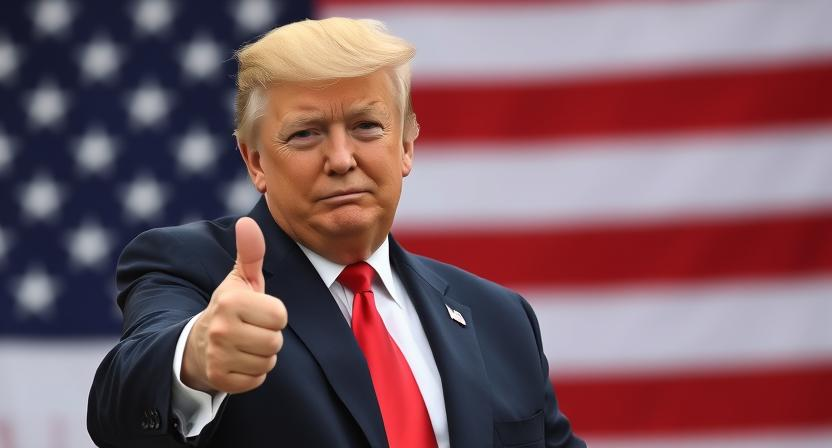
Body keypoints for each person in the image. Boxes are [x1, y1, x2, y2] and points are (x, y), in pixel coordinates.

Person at [87, 17, 585, 448]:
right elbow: (120, 405)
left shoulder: (501, 318)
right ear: (255, 160)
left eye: (367, 126)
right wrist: (194, 358)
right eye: (306, 134)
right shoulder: (191, 268)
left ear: (407, 146)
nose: (342, 160)